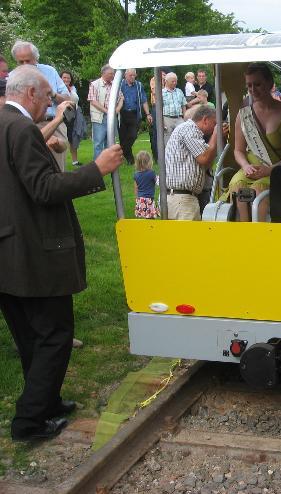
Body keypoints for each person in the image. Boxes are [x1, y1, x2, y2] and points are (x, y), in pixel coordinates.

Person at [0, 65, 123, 441]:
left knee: (31, 338)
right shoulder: (20, 129)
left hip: (9, 250)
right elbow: (44, 188)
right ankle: (30, 422)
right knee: (54, 335)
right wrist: (95, 169)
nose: (51, 105)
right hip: (34, 253)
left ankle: (47, 402)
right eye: (48, 98)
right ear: (32, 94)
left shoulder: (6, 124)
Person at [227, 63, 281, 221]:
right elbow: (238, 150)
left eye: (258, 84)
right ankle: (245, 229)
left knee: (259, 190)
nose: (253, 90)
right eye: (249, 85)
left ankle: (260, 232)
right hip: (250, 168)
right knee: (238, 185)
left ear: (270, 84)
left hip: (277, 169)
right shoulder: (243, 115)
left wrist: (271, 170)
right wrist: (245, 166)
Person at [12, 40, 71, 171]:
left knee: (57, 169)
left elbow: (68, 98)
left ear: (36, 59)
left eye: (28, 61)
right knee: (33, 168)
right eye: (20, 62)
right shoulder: (12, 78)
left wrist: (52, 94)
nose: (24, 65)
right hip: (28, 127)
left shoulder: (49, 72)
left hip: (54, 124)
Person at [164, 105, 218, 220]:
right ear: (205, 120)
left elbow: (207, 162)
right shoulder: (189, 129)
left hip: (180, 198)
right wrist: (215, 136)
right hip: (181, 200)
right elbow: (204, 158)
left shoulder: (192, 132)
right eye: (214, 123)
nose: (215, 128)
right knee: (187, 238)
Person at [88, 64, 123, 160]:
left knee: (111, 142)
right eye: (110, 73)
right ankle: (98, 167)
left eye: (113, 73)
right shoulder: (94, 84)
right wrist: (107, 111)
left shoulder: (115, 85)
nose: (113, 75)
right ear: (103, 73)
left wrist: (117, 110)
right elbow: (93, 101)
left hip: (111, 117)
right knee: (98, 143)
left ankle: (110, 164)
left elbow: (121, 98)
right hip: (100, 117)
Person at [119, 69, 151, 165]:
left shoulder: (138, 85)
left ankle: (123, 153)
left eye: (134, 75)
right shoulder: (119, 85)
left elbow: (144, 100)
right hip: (122, 114)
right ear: (125, 75)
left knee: (133, 135)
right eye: (130, 75)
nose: (133, 77)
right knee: (123, 138)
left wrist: (148, 114)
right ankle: (130, 159)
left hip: (134, 114)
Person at [60, 71, 86, 167]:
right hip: (63, 114)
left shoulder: (73, 88)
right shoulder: (58, 89)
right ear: (60, 78)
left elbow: (75, 101)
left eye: (68, 78)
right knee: (63, 136)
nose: (66, 79)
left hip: (74, 114)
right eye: (64, 77)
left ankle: (75, 161)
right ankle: (61, 162)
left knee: (73, 137)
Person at [162, 72, 187, 146]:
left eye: (176, 81)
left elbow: (183, 105)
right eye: (173, 81)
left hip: (179, 118)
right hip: (167, 118)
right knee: (168, 140)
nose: (175, 83)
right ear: (166, 81)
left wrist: (184, 118)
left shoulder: (179, 91)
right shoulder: (161, 93)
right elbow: (159, 109)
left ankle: (181, 155)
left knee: (183, 138)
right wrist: (162, 122)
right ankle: (168, 156)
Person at [134, 151, 159, 218]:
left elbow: (136, 188)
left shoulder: (136, 175)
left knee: (142, 217)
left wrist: (137, 199)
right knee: (151, 217)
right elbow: (158, 182)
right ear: (149, 163)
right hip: (149, 199)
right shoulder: (151, 173)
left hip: (140, 199)